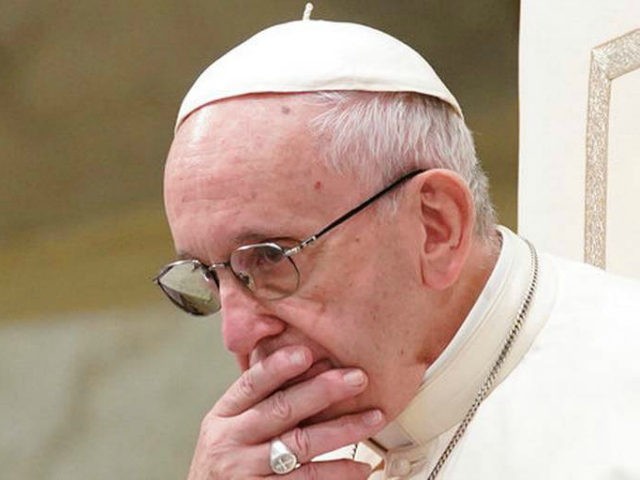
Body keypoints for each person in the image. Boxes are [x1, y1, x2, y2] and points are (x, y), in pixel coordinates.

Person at [153, 10, 640, 480]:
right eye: (208, 277)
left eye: (269, 258)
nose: (235, 335)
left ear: (436, 227)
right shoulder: (259, 460)